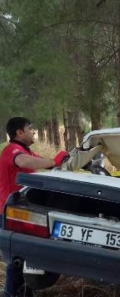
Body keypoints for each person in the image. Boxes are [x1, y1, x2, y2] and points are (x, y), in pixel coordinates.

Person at [0, 117, 69, 297]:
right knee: (17, 258)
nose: (34, 131)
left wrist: (60, 162)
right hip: (9, 212)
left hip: (24, 212)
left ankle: (22, 293)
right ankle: (10, 294)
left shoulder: (28, 152)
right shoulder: (12, 150)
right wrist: (54, 161)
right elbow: (23, 162)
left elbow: (43, 164)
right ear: (19, 132)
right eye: (30, 128)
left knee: (25, 257)